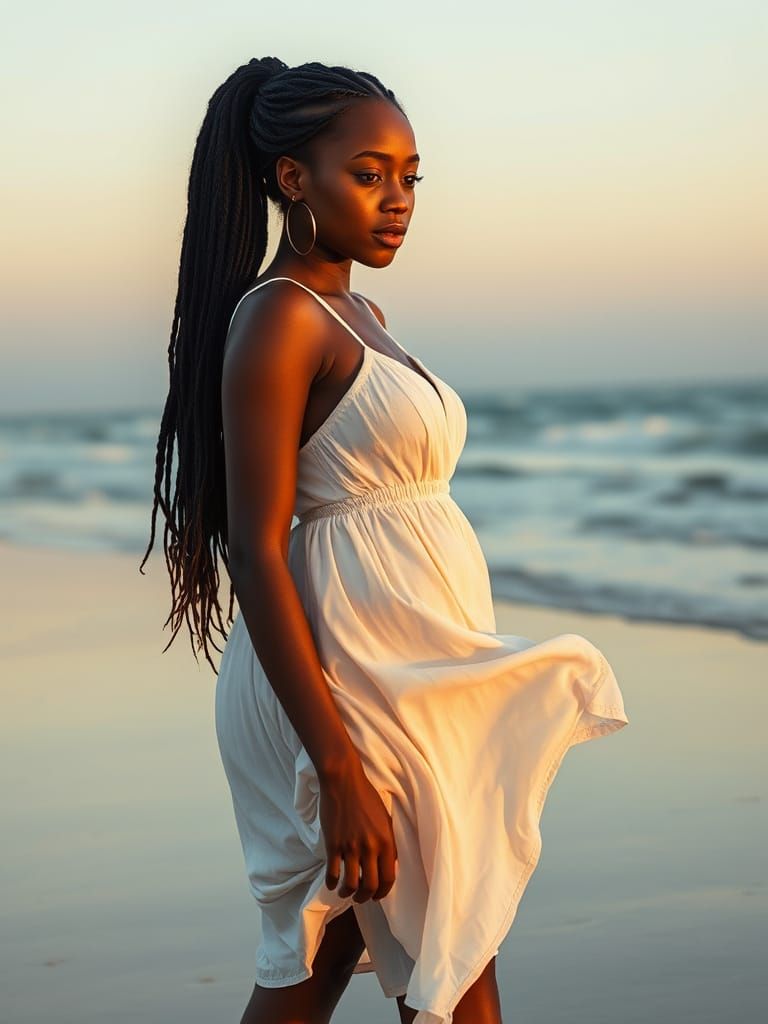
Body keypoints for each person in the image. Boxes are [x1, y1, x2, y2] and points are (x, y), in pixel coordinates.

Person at [140, 57, 629, 1024]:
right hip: (343, 682)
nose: (398, 199)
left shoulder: (360, 314)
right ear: (293, 179)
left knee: (350, 962)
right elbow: (255, 545)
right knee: (451, 965)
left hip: (408, 667)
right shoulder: (283, 318)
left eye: (410, 177)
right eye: (369, 174)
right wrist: (336, 764)